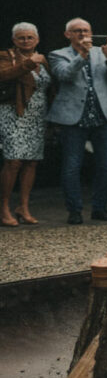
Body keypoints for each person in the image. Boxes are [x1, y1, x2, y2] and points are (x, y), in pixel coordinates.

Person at [48, 18, 107, 224]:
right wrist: (82, 55)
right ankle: (74, 210)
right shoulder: (57, 54)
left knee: (106, 165)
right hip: (73, 118)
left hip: (103, 115)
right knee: (72, 165)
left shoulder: (102, 53)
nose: (82, 34)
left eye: (86, 30)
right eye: (77, 31)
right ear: (67, 35)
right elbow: (64, 75)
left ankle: (100, 208)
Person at [0, 22, 50, 226]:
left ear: (37, 40)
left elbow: (49, 87)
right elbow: (4, 75)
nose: (26, 41)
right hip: (13, 112)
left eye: (30, 37)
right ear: (14, 40)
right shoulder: (5, 56)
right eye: (21, 37)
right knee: (13, 161)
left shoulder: (43, 59)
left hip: (37, 116)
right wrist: (29, 64)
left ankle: (23, 206)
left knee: (32, 161)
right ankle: (4, 207)